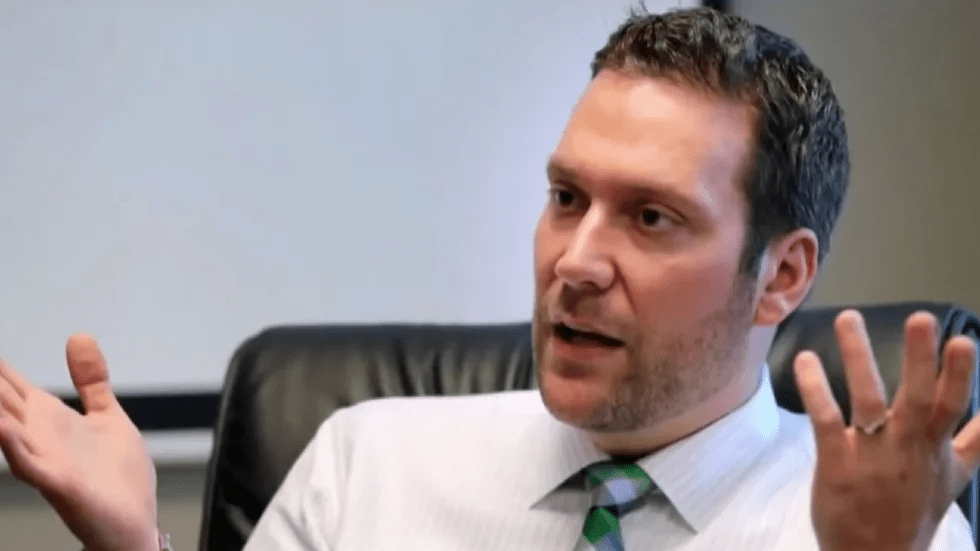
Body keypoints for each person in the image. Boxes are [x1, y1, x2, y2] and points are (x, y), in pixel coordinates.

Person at [0, 5, 978, 551]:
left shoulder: (879, 524)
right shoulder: (367, 463)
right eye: (565, 197)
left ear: (780, 276)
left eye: (650, 217)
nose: (574, 261)